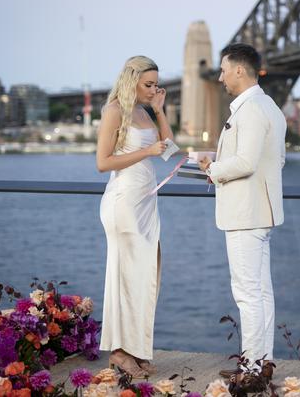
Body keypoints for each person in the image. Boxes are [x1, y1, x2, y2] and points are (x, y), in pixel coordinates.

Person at [198, 43, 286, 383]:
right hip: (261, 212)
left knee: (247, 293)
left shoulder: (249, 110)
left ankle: (250, 370)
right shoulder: (271, 107)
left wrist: (212, 168)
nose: (219, 77)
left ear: (238, 70)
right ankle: (262, 362)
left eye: (223, 70)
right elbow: (275, 161)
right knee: (261, 291)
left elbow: (247, 163)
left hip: (245, 214)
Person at [97, 55, 173, 378]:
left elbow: (168, 148)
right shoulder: (114, 110)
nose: (153, 88)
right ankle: (117, 351)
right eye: (148, 84)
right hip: (123, 203)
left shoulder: (145, 111)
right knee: (123, 276)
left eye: (156, 83)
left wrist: (159, 109)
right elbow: (103, 162)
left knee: (145, 278)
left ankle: (135, 349)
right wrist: (146, 152)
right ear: (131, 80)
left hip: (145, 203)